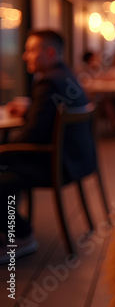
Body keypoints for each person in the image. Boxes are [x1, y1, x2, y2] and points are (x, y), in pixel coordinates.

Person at [0, 30, 95, 263]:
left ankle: (21, 236)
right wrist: (32, 107)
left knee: (3, 169)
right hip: (75, 161)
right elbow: (50, 113)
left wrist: (5, 146)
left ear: (50, 52)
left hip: (56, 164)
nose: (24, 56)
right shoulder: (63, 76)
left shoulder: (48, 82)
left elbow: (32, 135)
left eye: (31, 50)